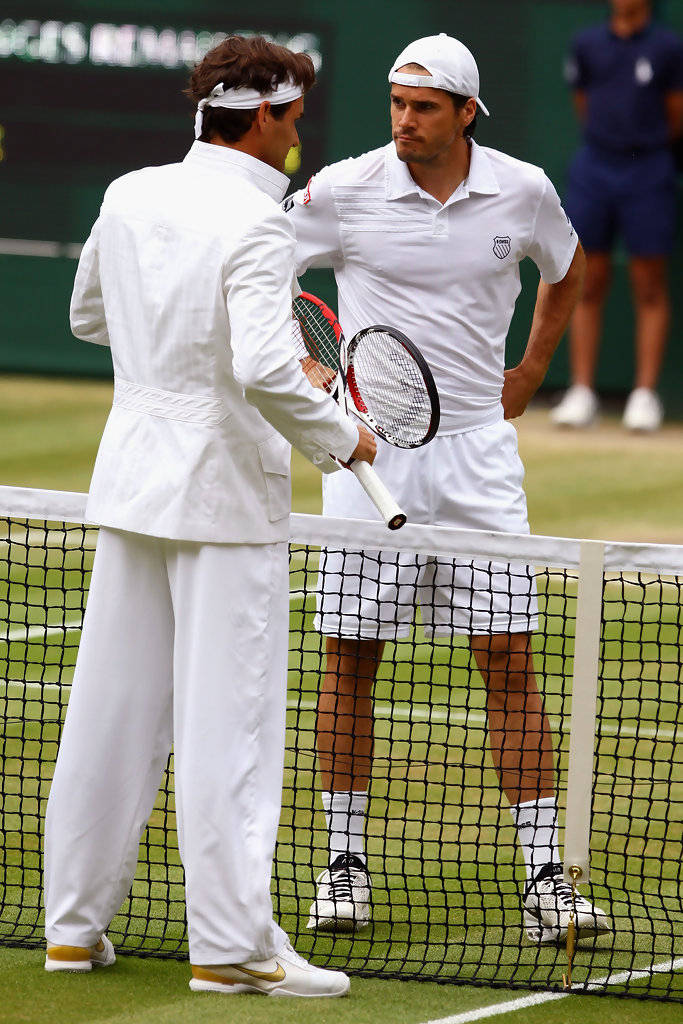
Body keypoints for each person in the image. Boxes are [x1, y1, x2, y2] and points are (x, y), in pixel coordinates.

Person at [43, 34, 376, 997]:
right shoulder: (260, 223)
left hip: (134, 487)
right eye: (295, 115)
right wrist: (342, 439)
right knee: (229, 728)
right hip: (223, 498)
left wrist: (191, 338)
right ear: (265, 115)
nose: (299, 135)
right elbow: (268, 369)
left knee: (108, 713)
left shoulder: (129, 194)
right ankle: (233, 950)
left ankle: (72, 928)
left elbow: (90, 318)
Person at [286, 32, 610, 945]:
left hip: (478, 455)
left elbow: (566, 269)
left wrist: (531, 370)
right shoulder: (345, 188)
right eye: (396, 103)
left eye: (423, 107)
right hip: (368, 454)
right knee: (350, 654)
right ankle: (343, 865)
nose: (404, 122)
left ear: (466, 112)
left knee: (507, 660)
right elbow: (256, 268)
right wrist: (299, 371)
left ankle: (545, 877)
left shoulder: (524, 189)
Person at [552, 0, 683, 431]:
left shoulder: (667, 47)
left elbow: (675, 115)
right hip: (595, 169)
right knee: (587, 279)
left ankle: (644, 396)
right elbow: (582, 104)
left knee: (649, 283)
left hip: (649, 169)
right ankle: (582, 391)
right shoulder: (586, 44)